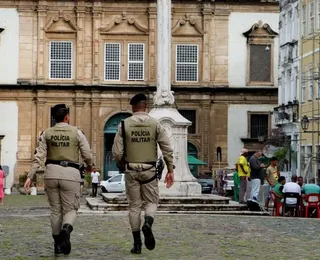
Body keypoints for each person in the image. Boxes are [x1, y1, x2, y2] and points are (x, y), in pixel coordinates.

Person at [24, 104, 93, 256]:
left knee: (56, 210)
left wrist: (30, 175)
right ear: (67, 116)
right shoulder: (77, 132)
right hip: (71, 173)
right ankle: (66, 230)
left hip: (51, 173)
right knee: (71, 208)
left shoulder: (46, 133)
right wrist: (90, 166)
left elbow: (39, 156)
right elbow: (87, 154)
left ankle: (57, 245)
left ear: (54, 118)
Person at [112, 93, 174, 254]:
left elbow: (117, 152)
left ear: (133, 107)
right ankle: (148, 222)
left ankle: (137, 244)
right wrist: (170, 170)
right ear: (146, 106)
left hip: (131, 169)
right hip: (149, 170)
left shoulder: (124, 124)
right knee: (152, 201)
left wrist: (122, 164)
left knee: (134, 207)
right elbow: (167, 148)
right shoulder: (155, 124)